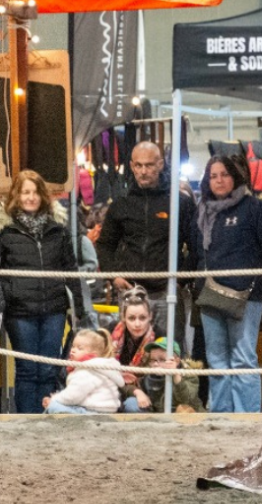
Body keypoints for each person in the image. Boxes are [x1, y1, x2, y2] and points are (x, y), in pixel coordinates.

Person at [196, 155, 262, 413]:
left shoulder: (254, 208)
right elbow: (194, 252)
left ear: (235, 177)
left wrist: (257, 285)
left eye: (224, 174)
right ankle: (222, 415)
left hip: (246, 297)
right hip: (210, 296)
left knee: (243, 359)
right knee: (217, 360)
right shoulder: (202, 211)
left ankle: (246, 418)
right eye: (213, 175)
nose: (219, 180)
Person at [0, 170, 88, 414]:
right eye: (25, 192)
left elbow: (71, 269)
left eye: (35, 192)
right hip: (19, 311)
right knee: (27, 368)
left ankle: (46, 415)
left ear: (43, 196)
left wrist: (79, 308)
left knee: (49, 368)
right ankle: (27, 418)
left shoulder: (58, 231)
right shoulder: (5, 232)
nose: (31, 197)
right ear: (16, 196)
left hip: (54, 309)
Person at [95, 142, 200, 343]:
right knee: (130, 354)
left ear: (160, 164)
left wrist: (180, 280)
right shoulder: (121, 204)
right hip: (130, 291)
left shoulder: (179, 203)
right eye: (139, 165)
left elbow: (196, 246)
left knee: (171, 352)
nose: (143, 171)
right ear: (132, 166)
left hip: (166, 291)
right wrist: (113, 275)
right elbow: (105, 244)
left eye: (149, 165)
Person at [42, 328, 122, 414]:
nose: (72, 350)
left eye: (80, 348)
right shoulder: (99, 366)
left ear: (93, 353)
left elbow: (73, 396)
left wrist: (54, 399)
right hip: (102, 409)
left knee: (53, 407)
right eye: (73, 346)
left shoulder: (87, 370)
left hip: (94, 411)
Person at [112, 287, 163, 412]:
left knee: (132, 405)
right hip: (114, 389)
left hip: (149, 395)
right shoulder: (111, 334)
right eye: (131, 318)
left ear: (150, 316)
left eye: (142, 318)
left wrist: (137, 391)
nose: (137, 324)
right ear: (123, 317)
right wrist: (135, 390)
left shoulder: (160, 338)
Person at [128, 337, 205, 413]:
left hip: (190, 419)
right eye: (153, 360)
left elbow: (186, 399)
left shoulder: (188, 374)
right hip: (160, 418)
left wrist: (175, 374)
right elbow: (127, 385)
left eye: (162, 360)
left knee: (183, 410)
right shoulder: (149, 374)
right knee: (131, 403)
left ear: (177, 361)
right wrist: (138, 392)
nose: (156, 364)